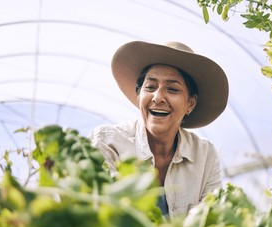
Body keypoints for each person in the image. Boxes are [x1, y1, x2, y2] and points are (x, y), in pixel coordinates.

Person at [89, 41, 229, 218]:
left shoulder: (204, 154)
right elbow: (104, 215)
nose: (158, 97)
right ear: (139, 95)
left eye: (172, 89)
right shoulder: (108, 142)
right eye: (150, 87)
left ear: (190, 104)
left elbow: (210, 222)